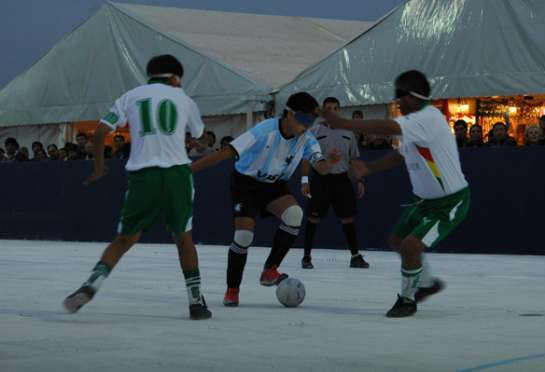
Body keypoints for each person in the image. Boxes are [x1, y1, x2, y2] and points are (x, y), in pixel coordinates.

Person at [63, 54, 212, 320]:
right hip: (177, 174)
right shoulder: (184, 99)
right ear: (176, 77)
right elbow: (199, 133)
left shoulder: (131, 96)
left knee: (125, 238)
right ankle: (196, 302)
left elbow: (99, 133)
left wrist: (99, 169)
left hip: (143, 175)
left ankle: (92, 284)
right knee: (183, 238)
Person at [321, 70, 470, 318]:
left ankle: (407, 300)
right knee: (398, 241)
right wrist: (369, 167)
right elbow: (402, 154)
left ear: (413, 96)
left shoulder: (427, 118)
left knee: (411, 247)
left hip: (449, 204)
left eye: (400, 96)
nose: (397, 101)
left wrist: (343, 123)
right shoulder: (416, 124)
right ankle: (427, 283)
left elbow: (387, 126)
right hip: (423, 201)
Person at [192, 92, 340, 307]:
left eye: (311, 121)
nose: (307, 127)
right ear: (289, 114)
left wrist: (331, 163)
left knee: (295, 215)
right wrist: (189, 170)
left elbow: (321, 168)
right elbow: (226, 153)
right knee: (243, 236)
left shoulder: (307, 138)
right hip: (246, 183)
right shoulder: (264, 130)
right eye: (304, 120)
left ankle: (269, 270)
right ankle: (232, 289)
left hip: (275, 184)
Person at [301, 97, 369, 269]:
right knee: (312, 219)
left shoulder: (348, 132)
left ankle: (355, 257)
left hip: (342, 180)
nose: (332, 111)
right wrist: (304, 179)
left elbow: (353, 159)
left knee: (348, 219)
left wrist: (359, 179)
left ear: (339, 110)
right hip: (320, 180)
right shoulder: (315, 131)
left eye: (335, 108)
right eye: (328, 108)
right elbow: (306, 158)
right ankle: (306, 257)